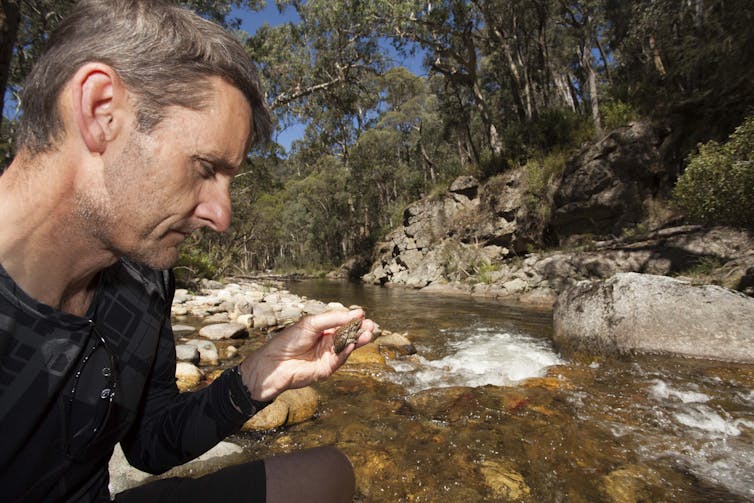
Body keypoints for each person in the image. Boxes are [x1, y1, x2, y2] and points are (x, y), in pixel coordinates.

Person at [0, 0, 374, 501]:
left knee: (327, 474)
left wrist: (258, 376)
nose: (222, 217)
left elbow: (150, 442)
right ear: (100, 110)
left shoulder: (143, 279)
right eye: (205, 169)